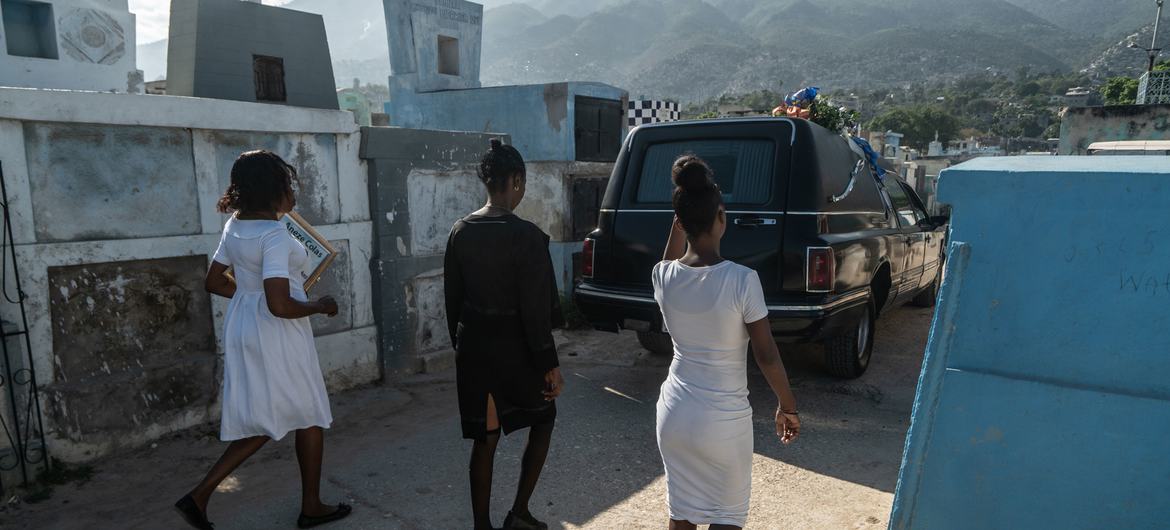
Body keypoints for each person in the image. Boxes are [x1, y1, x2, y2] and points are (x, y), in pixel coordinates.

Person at [174, 150, 352, 530]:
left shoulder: (236, 226)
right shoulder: (273, 234)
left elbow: (215, 281)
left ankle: (306, 504)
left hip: (247, 328)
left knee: (294, 414)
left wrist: (250, 297)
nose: (293, 194)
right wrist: (319, 305)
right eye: (288, 185)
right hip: (277, 333)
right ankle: (205, 494)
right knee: (300, 414)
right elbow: (280, 305)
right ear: (273, 189)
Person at [653, 154, 801, 530]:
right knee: (727, 518)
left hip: (674, 415)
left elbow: (670, 259)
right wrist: (788, 406)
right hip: (722, 422)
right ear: (722, 218)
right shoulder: (741, 280)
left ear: (681, 222)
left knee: (681, 514)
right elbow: (767, 355)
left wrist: (681, 221)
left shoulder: (664, 277)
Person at [444, 138, 566, 530]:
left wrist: (463, 349)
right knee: (543, 420)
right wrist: (549, 365)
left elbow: (452, 302)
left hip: (475, 348)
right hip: (516, 351)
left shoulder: (460, 231)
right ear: (516, 180)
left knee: (486, 437)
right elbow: (536, 312)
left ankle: (482, 525)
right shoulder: (528, 237)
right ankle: (519, 513)